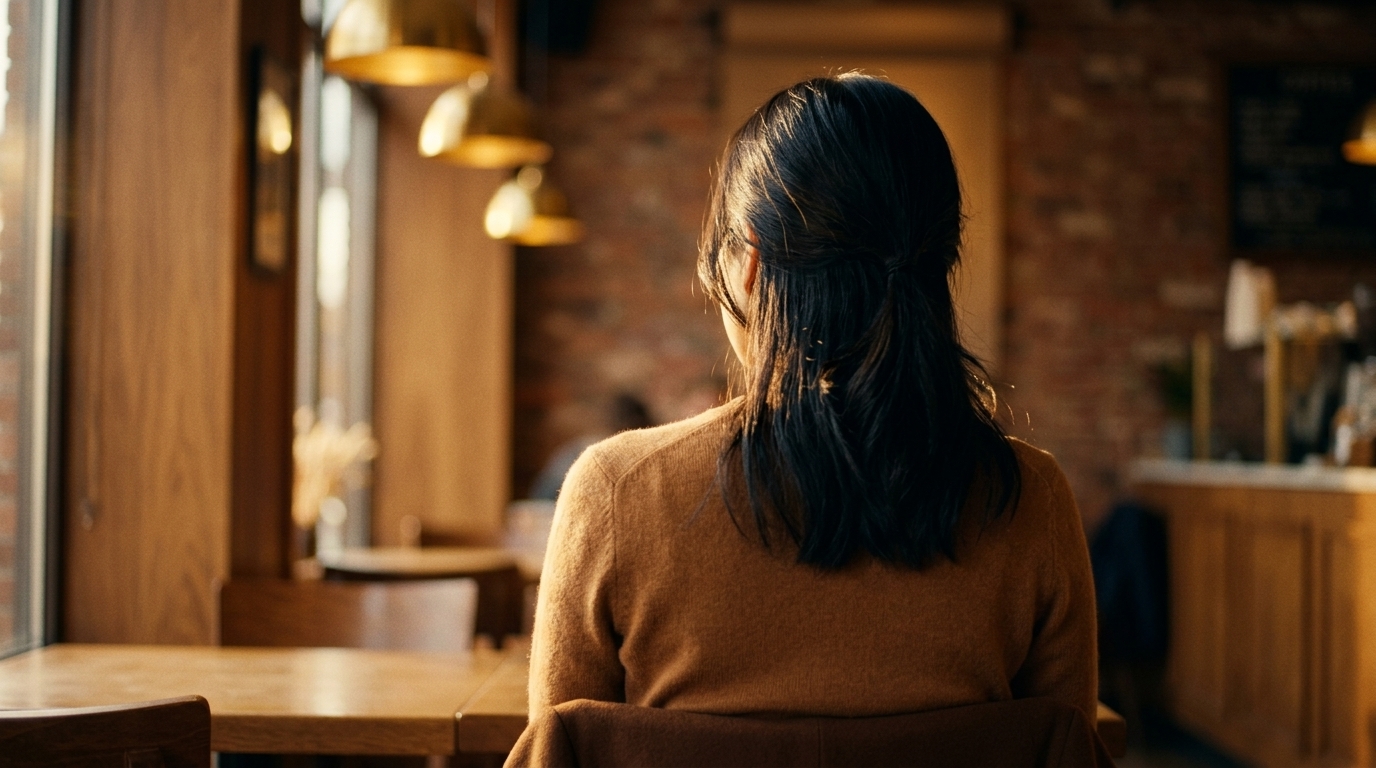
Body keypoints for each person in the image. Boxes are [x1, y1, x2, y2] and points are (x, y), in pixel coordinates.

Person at [527, 74, 1097, 730]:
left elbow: (559, 751)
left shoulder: (618, 492)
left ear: (750, 263)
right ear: (937, 263)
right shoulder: (1031, 502)